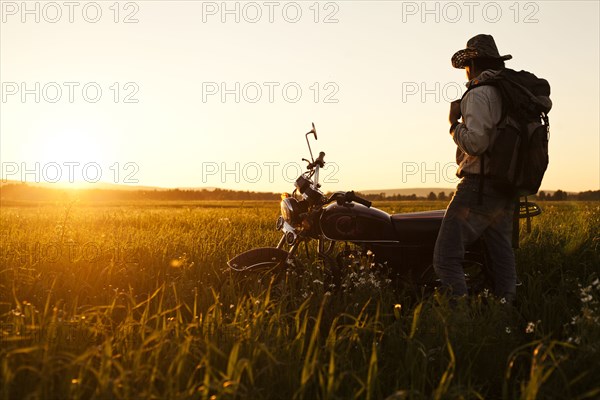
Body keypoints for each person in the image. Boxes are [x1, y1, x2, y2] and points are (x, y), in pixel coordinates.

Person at [433, 34, 517, 302]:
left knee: (445, 256)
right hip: (505, 184)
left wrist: (453, 124)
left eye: (467, 65)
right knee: (501, 252)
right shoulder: (505, 93)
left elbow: (477, 143)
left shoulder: (479, 94)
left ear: (473, 63)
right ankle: (507, 310)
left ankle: (459, 322)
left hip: (477, 186)